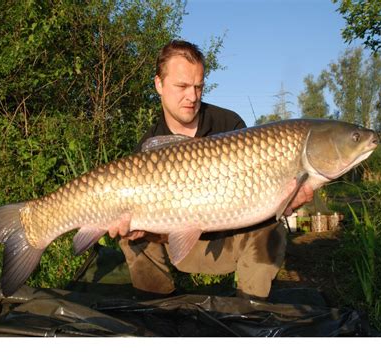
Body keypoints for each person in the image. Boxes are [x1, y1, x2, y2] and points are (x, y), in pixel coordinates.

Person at [107, 40, 313, 299]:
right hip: (180, 244)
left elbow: (264, 194)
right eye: (182, 86)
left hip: (231, 240)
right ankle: (158, 308)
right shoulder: (150, 146)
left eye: (198, 86)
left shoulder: (229, 124)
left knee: (273, 227)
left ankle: (250, 309)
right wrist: (141, 228)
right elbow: (152, 226)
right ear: (159, 84)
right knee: (130, 236)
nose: (192, 96)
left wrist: (288, 201)